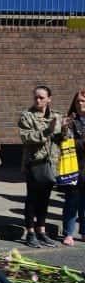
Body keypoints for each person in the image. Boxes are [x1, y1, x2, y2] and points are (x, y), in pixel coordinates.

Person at [19, 86, 66, 249]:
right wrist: (48, 130)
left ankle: (41, 231)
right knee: (32, 198)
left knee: (45, 199)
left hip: (51, 163)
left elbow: (61, 139)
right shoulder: (27, 116)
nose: (38, 100)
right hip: (35, 163)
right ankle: (30, 232)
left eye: (41, 97)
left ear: (49, 99)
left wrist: (65, 128)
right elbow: (26, 138)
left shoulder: (57, 115)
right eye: (36, 97)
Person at [63, 90, 85, 245]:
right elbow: (66, 142)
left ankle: (83, 232)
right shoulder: (70, 121)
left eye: (83, 101)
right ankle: (68, 233)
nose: (80, 104)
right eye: (78, 101)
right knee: (72, 201)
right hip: (74, 166)